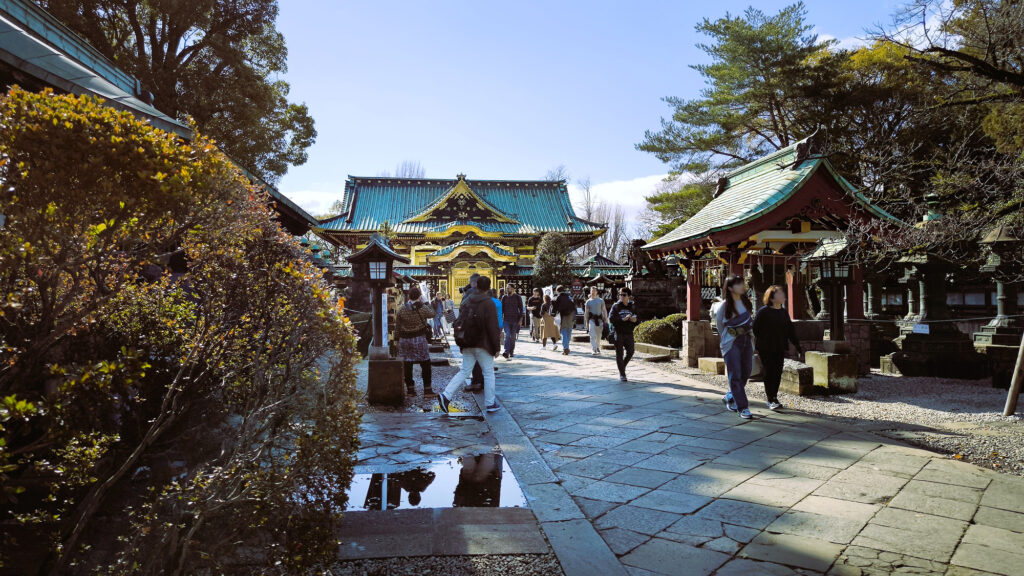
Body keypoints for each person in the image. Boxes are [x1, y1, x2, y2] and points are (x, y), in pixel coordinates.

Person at [439, 276, 501, 413]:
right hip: (483, 343)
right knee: (489, 373)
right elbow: (493, 326)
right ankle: (490, 403)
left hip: (467, 342)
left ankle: (446, 395)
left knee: (464, 371)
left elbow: (460, 323)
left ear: (476, 286)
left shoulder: (466, 301)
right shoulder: (488, 303)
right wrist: (496, 347)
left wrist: (461, 344)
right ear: (489, 288)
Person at [752, 285, 804, 411]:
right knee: (769, 371)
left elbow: (790, 330)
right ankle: (770, 399)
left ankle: (774, 396)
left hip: (780, 346)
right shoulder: (763, 312)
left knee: (777, 372)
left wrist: (797, 345)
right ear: (772, 297)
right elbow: (755, 328)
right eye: (779, 293)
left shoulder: (783, 312)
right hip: (766, 347)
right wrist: (763, 340)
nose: (783, 296)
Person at [713, 274, 755, 419]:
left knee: (746, 371)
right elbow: (720, 325)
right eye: (738, 284)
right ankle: (742, 407)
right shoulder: (724, 306)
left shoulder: (746, 302)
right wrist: (729, 338)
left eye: (742, 283)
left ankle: (731, 395)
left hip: (746, 340)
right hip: (731, 343)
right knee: (735, 374)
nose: (742, 286)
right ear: (730, 288)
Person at [396, 285, 435, 396]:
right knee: (425, 364)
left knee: (408, 364)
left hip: (405, 340)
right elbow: (433, 313)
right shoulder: (422, 308)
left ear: (409, 296)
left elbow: (397, 326)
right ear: (419, 296)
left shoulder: (402, 309)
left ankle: (410, 390)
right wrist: (426, 302)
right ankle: (427, 389)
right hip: (419, 339)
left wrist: (396, 340)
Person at [609, 287, 639, 381]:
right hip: (618, 332)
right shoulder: (616, 306)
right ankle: (622, 374)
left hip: (629, 332)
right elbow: (611, 319)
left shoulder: (633, 306)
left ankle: (622, 366)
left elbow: (639, 318)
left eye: (623, 295)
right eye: (620, 295)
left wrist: (635, 320)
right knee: (619, 353)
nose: (621, 296)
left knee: (631, 351)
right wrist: (622, 319)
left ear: (629, 296)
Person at [583, 287, 609, 356]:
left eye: (594, 291)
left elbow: (604, 310)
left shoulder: (600, 300)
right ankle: (593, 349)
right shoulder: (588, 302)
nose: (593, 292)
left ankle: (597, 347)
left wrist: (606, 320)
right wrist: (587, 322)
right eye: (592, 291)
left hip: (600, 319)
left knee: (599, 335)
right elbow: (586, 313)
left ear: (597, 292)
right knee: (592, 334)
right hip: (592, 319)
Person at [500, 285, 524, 359]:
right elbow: (501, 309)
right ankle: (506, 351)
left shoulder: (517, 297)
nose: (507, 289)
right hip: (506, 320)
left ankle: (511, 351)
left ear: (513, 289)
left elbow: (521, 309)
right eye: (506, 288)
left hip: (515, 320)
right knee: (507, 335)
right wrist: (500, 318)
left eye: (508, 288)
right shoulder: (504, 297)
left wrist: (520, 320)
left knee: (513, 337)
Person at [553, 285, 576, 355]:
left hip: (563, 315)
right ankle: (567, 346)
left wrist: (553, 315)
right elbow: (574, 305)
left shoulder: (558, 297)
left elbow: (555, 308)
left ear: (557, 291)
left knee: (563, 331)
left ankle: (565, 348)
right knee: (569, 330)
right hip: (571, 314)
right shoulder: (569, 296)